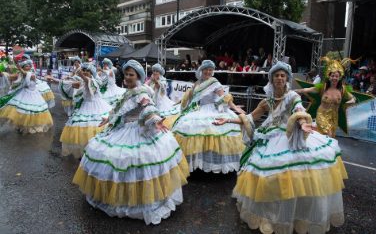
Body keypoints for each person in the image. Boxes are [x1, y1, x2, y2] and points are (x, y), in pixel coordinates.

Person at [214, 61, 347, 234]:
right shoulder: (266, 101)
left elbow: (299, 109)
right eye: (276, 75)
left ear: (287, 79)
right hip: (271, 136)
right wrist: (228, 119)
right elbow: (250, 117)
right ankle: (270, 215)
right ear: (271, 78)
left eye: (283, 75)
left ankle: (298, 216)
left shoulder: (293, 96)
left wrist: (303, 122)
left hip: (290, 135)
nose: (279, 78)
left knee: (298, 175)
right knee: (268, 176)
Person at [72, 59, 189, 224]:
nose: (127, 77)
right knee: (115, 159)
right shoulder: (130, 91)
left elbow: (148, 107)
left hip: (136, 130)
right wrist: (109, 118)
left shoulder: (140, 91)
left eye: (131, 74)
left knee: (134, 162)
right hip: (124, 128)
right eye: (126, 74)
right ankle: (125, 197)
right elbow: (121, 109)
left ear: (138, 76)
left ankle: (139, 199)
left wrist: (155, 120)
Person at [171, 60, 246, 173]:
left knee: (212, 132)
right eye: (206, 69)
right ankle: (197, 163)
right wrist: (179, 102)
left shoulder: (214, 82)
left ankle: (211, 163)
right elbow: (190, 96)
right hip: (200, 109)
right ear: (201, 70)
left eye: (210, 69)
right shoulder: (198, 83)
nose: (208, 71)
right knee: (189, 128)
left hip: (212, 110)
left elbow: (224, 97)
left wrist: (234, 107)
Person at [60, 62, 112, 158]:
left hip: (96, 107)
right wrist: (55, 79)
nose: (85, 72)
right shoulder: (82, 82)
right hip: (85, 107)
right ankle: (84, 151)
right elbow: (70, 84)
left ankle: (96, 151)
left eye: (87, 71)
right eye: (84, 70)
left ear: (92, 73)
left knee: (95, 127)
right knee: (80, 128)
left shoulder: (94, 81)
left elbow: (88, 81)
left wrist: (81, 74)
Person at [296, 58, 356, 137]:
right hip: (322, 115)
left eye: (336, 76)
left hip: (334, 118)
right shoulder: (322, 87)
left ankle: (313, 136)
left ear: (339, 77)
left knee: (330, 136)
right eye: (332, 76)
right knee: (328, 134)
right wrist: (295, 91)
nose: (334, 78)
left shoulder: (343, 90)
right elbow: (307, 90)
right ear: (329, 76)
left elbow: (353, 98)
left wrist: (352, 101)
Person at [0, 60, 53, 133]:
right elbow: (9, 76)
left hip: (33, 94)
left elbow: (26, 74)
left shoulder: (31, 74)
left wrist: (19, 68)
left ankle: (32, 126)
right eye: (26, 66)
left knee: (32, 111)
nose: (28, 67)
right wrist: (2, 73)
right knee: (21, 110)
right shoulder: (20, 74)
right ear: (23, 67)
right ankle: (22, 125)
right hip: (24, 93)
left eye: (29, 66)